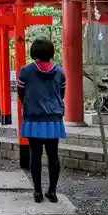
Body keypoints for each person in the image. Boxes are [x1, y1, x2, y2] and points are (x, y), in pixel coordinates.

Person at [17, 37, 66, 203]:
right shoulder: (60, 72)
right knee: (53, 155)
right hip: (53, 119)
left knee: (35, 155)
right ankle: (52, 191)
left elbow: (21, 93)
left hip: (33, 118)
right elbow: (62, 94)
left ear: (34, 52)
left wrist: (29, 104)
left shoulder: (25, 71)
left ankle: (37, 192)